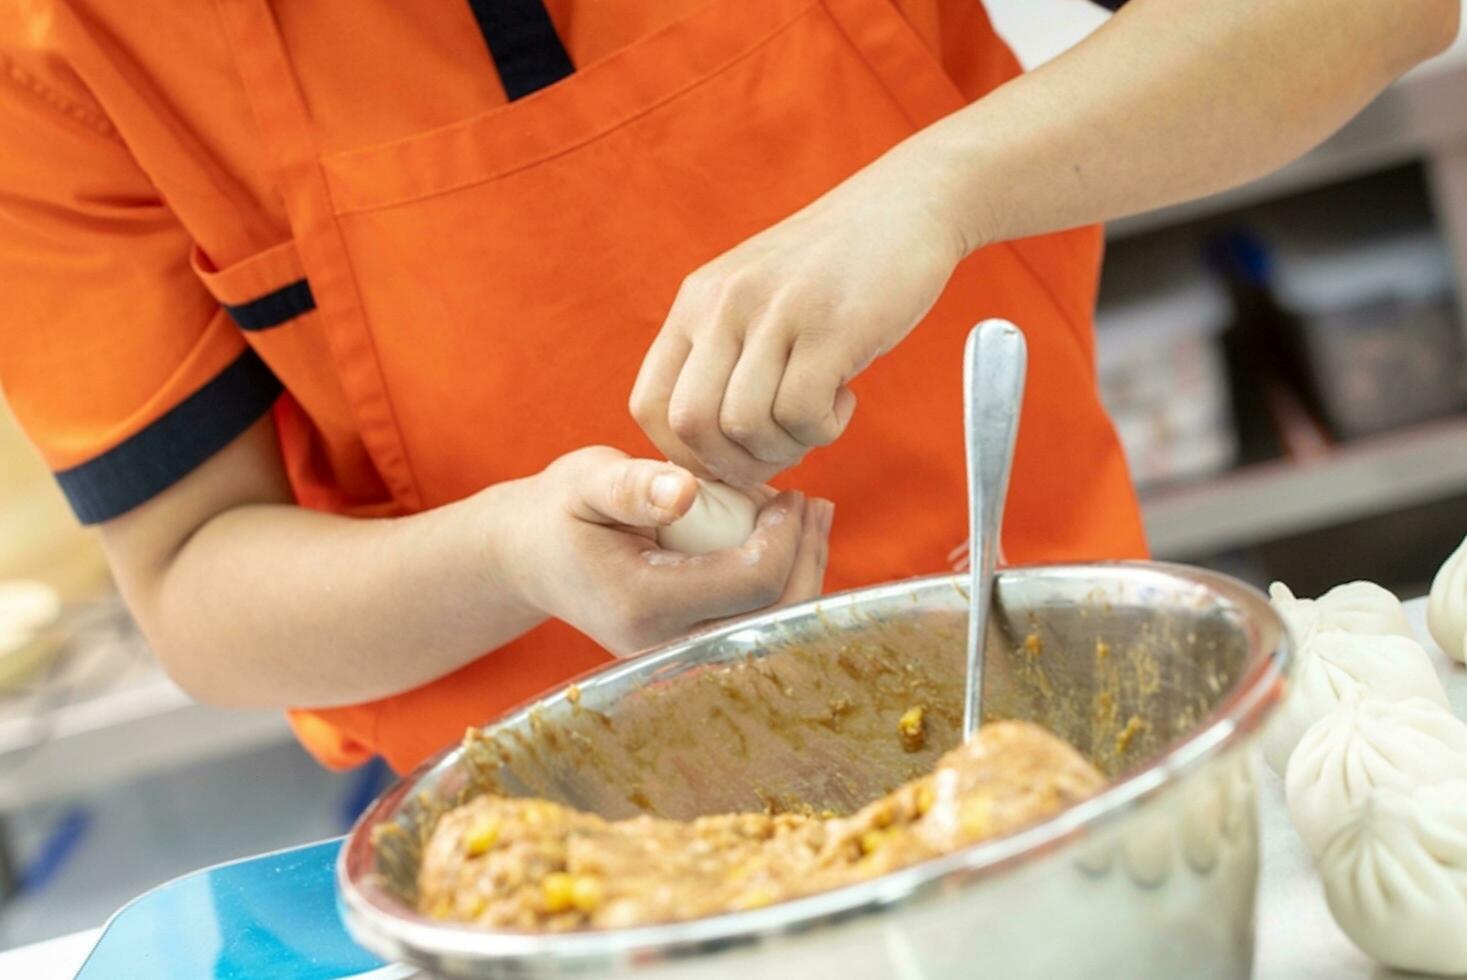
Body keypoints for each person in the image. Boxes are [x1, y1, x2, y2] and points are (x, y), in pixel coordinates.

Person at [0, 1, 1456, 773]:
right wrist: (511, 554)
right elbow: (192, 583)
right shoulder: (64, 49)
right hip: (565, 848)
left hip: (1056, 705)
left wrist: (945, 183)